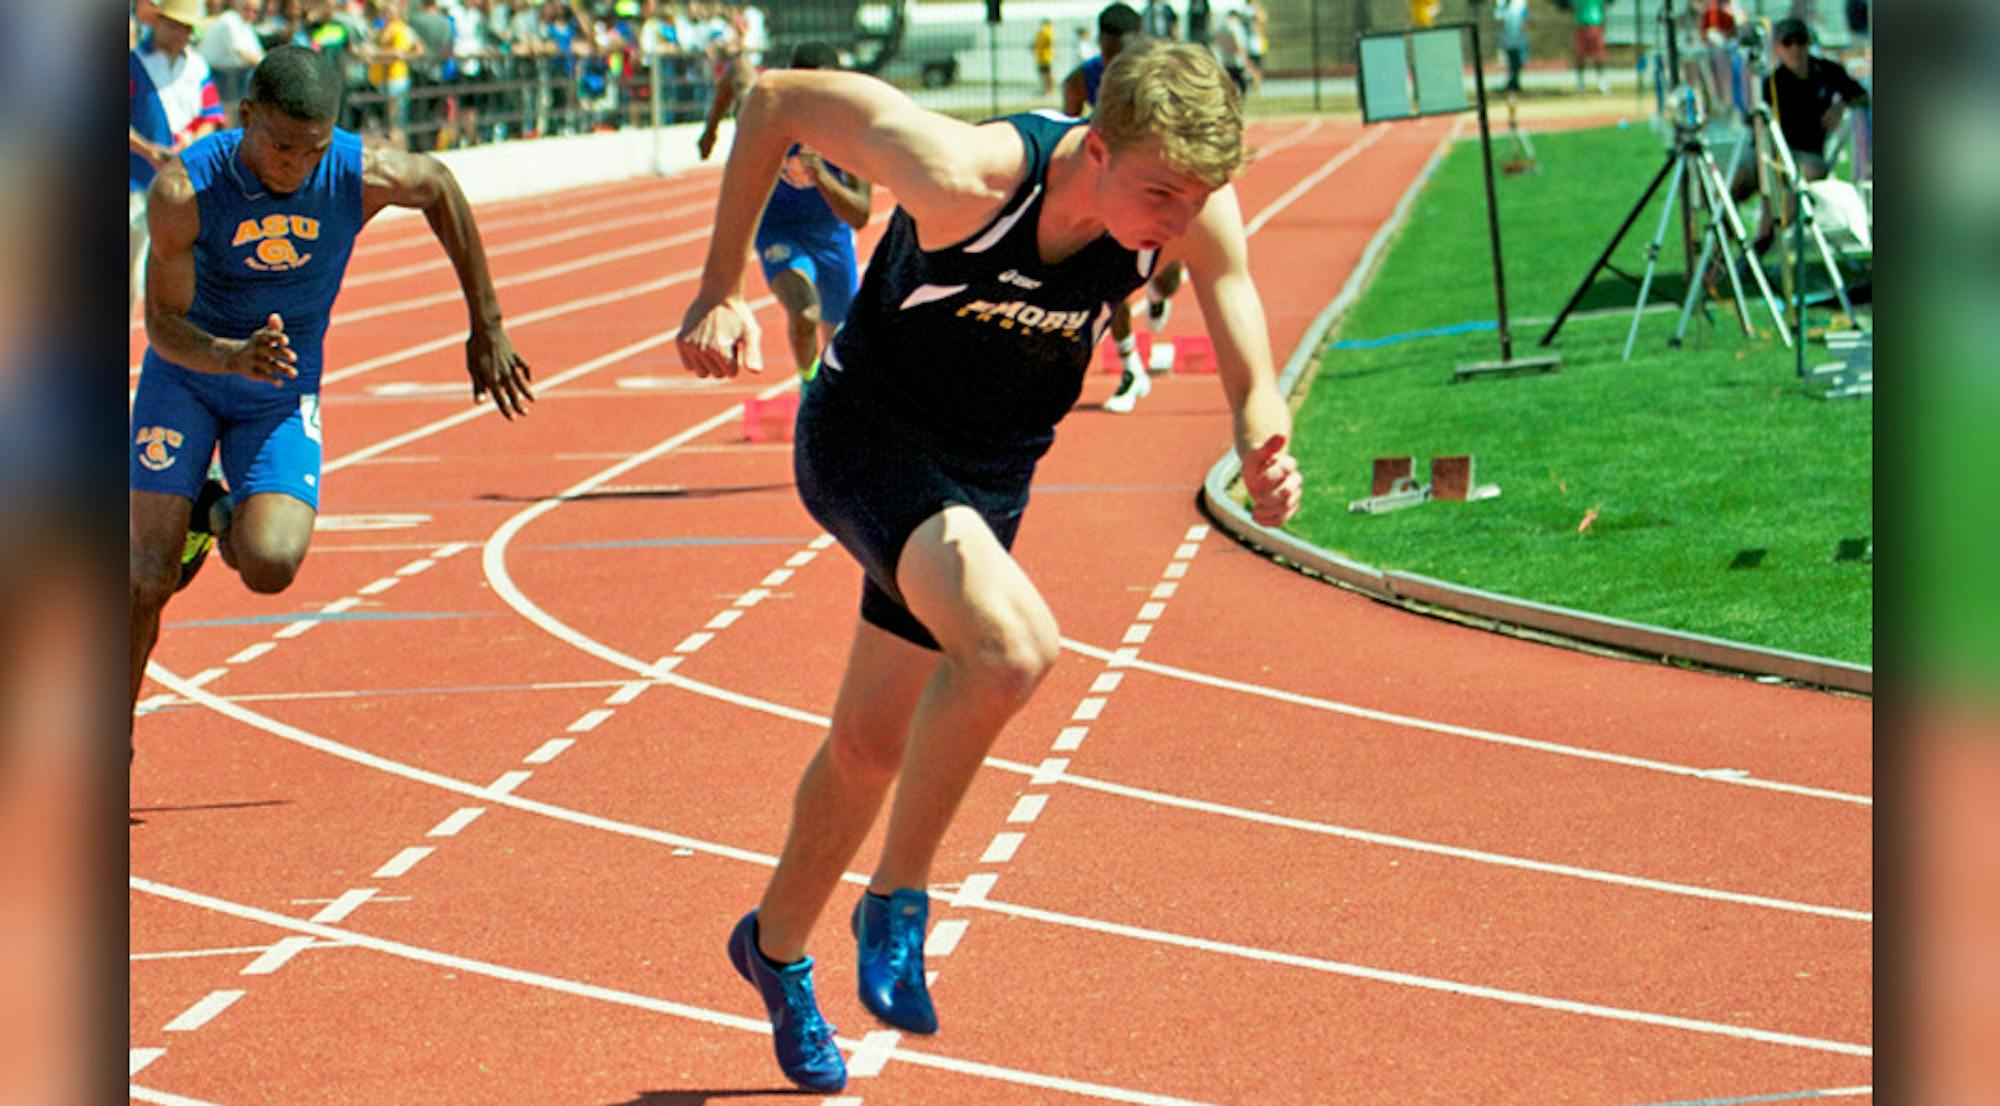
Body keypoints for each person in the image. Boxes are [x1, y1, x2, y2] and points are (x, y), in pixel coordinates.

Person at [675, 40, 1303, 1092]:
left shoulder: (1180, 206)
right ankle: (898, 898)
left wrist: (1261, 428)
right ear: (1095, 149)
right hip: (865, 439)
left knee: (868, 750)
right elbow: (775, 98)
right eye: (1158, 194)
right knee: (1012, 650)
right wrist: (717, 285)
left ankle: (773, 949)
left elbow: (1236, 307)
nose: (1178, 224)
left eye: (1196, 200)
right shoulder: (958, 172)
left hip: (988, 476)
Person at [130, 45, 535, 730]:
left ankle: (214, 514)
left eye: (311, 150)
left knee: (272, 562)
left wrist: (486, 323)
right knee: (144, 577)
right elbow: (162, 326)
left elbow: (437, 183)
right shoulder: (185, 190)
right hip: (191, 378)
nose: (295, 164)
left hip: (281, 392)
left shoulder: (355, 172)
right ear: (245, 115)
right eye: (280, 145)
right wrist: (231, 356)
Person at [695, 42, 871, 377]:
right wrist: (711, 129)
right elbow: (737, 71)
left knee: (844, 344)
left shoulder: (851, 129)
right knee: (804, 316)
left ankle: (831, 394)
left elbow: (860, 215)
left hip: (831, 233)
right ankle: (809, 389)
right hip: (780, 229)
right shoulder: (767, 111)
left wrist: (821, 176)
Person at [1061, 1, 1184, 414]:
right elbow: (1068, 138)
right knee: (1109, 286)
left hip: (1159, 187)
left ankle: (1156, 290)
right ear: (1101, 45)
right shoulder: (1082, 81)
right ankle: (1131, 367)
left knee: (1166, 278)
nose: (1116, 60)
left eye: (1123, 51)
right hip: (1112, 195)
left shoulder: (1160, 77)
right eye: (1109, 51)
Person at [1729, 17, 1869, 252]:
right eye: (1787, 42)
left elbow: (1862, 96)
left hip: (1807, 156)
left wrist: (1841, 105)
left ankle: (1760, 246)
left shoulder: (1826, 71)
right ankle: (1724, 252)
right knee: (1733, 186)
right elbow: (1759, 129)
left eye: (1801, 41)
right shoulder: (1773, 83)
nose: (1795, 48)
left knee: (1798, 182)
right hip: (1773, 154)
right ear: (1777, 49)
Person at [131, 0, 229, 318]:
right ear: (158, 22)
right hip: (137, 180)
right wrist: (148, 150)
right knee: (132, 266)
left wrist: (189, 149)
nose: (181, 34)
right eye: (175, 25)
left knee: (184, 265)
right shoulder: (133, 63)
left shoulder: (197, 66)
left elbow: (211, 116)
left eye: (187, 28)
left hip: (184, 183)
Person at [1573, 0, 1610, 94]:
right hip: (1581, 26)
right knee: (1580, 58)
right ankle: (1580, 85)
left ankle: (1602, 84)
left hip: (1595, 25)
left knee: (1599, 57)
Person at [1032, 18, 1057, 95]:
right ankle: (1048, 89)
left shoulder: (1043, 33)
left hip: (1045, 56)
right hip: (1042, 56)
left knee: (1047, 74)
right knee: (1046, 74)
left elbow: (1050, 43)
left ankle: (1049, 89)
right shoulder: (1044, 33)